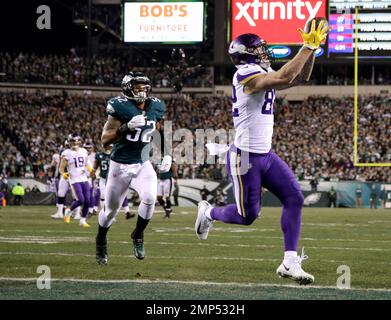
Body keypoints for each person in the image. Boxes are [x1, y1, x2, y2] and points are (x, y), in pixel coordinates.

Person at [195, 20, 330, 285]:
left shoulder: (259, 69)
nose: (264, 51)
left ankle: (290, 262)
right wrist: (306, 46)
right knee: (248, 217)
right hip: (244, 157)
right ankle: (209, 213)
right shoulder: (244, 74)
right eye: (259, 48)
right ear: (246, 54)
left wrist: (311, 52)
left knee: (294, 197)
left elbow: (300, 77)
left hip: (265, 155)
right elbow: (285, 77)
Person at [95, 71, 165, 264]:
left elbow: (159, 130)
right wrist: (126, 127)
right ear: (127, 88)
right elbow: (105, 141)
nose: (142, 91)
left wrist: (166, 153)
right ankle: (100, 240)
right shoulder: (119, 108)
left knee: (150, 198)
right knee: (110, 212)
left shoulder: (156, 106)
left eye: (144, 87)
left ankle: (138, 235)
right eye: (137, 87)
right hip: (120, 167)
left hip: (142, 164)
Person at [93, 144, 135, 220]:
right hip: (103, 178)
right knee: (103, 196)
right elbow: (95, 166)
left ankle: (127, 212)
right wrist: (93, 173)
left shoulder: (116, 155)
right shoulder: (99, 155)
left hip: (113, 178)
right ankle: (106, 214)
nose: (109, 148)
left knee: (121, 194)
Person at [60, 133, 93, 227]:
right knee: (81, 200)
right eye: (73, 141)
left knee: (87, 200)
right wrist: (63, 173)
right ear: (69, 142)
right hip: (74, 179)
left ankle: (83, 221)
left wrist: (90, 169)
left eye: (77, 141)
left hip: (83, 178)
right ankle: (69, 211)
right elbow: (61, 167)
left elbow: (87, 163)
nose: (75, 143)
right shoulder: (66, 153)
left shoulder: (83, 151)